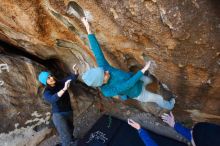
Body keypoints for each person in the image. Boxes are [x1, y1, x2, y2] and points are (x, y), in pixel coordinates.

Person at [81, 17, 175, 110]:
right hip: (138, 93)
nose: (107, 72)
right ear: (101, 81)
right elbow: (127, 85)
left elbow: (97, 52)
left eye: (104, 71)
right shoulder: (107, 91)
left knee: (149, 80)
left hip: (137, 79)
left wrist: (88, 28)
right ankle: (170, 105)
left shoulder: (104, 68)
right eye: (105, 74)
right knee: (158, 98)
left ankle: (154, 85)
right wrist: (143, 70)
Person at [38, 64, 79, 146]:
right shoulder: (47, 92)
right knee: (65, 135)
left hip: (68, 110)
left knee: (71, 129)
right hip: (59, 115)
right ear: (45, 82)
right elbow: (52, 99)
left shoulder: (59, 83)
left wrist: (75, 72)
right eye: (48, 78)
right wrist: (64, 89)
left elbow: (71, 78)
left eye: (50, 76)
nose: (51, 78)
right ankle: (67, 143)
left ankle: (71, 140)